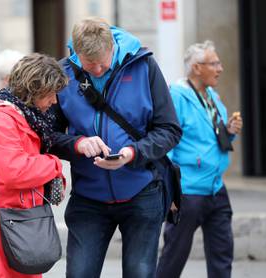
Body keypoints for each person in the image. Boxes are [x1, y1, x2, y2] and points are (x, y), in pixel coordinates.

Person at [49, 18, 182, 277]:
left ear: (113, 46)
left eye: (103, 62)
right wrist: (77, 144)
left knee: (139, 273)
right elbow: (46, 135)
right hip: (88, 197)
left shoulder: (144, 66)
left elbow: (170, 129)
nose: (98, 70)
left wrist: (133, 153)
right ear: (76, 55)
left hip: (142, 192)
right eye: (90, 65)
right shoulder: (63, 74)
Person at [0, 53, 68, 278]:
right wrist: (53, 164)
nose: (54, 101)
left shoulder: (25, 116)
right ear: (34, 90)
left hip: (17, 218)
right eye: (50, 94)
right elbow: (15, 173)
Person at [156, 40, 243, 278]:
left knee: (222, 255)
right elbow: (168, 143)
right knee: (174, 256)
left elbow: (213, 138)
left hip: (216, 188)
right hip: (189, 191)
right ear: (196, 67)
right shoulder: (177, 97)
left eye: (219, 63)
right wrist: (171, 191)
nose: (220, 68)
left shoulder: (212, 96)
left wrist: (229, 131)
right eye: (213, 63)